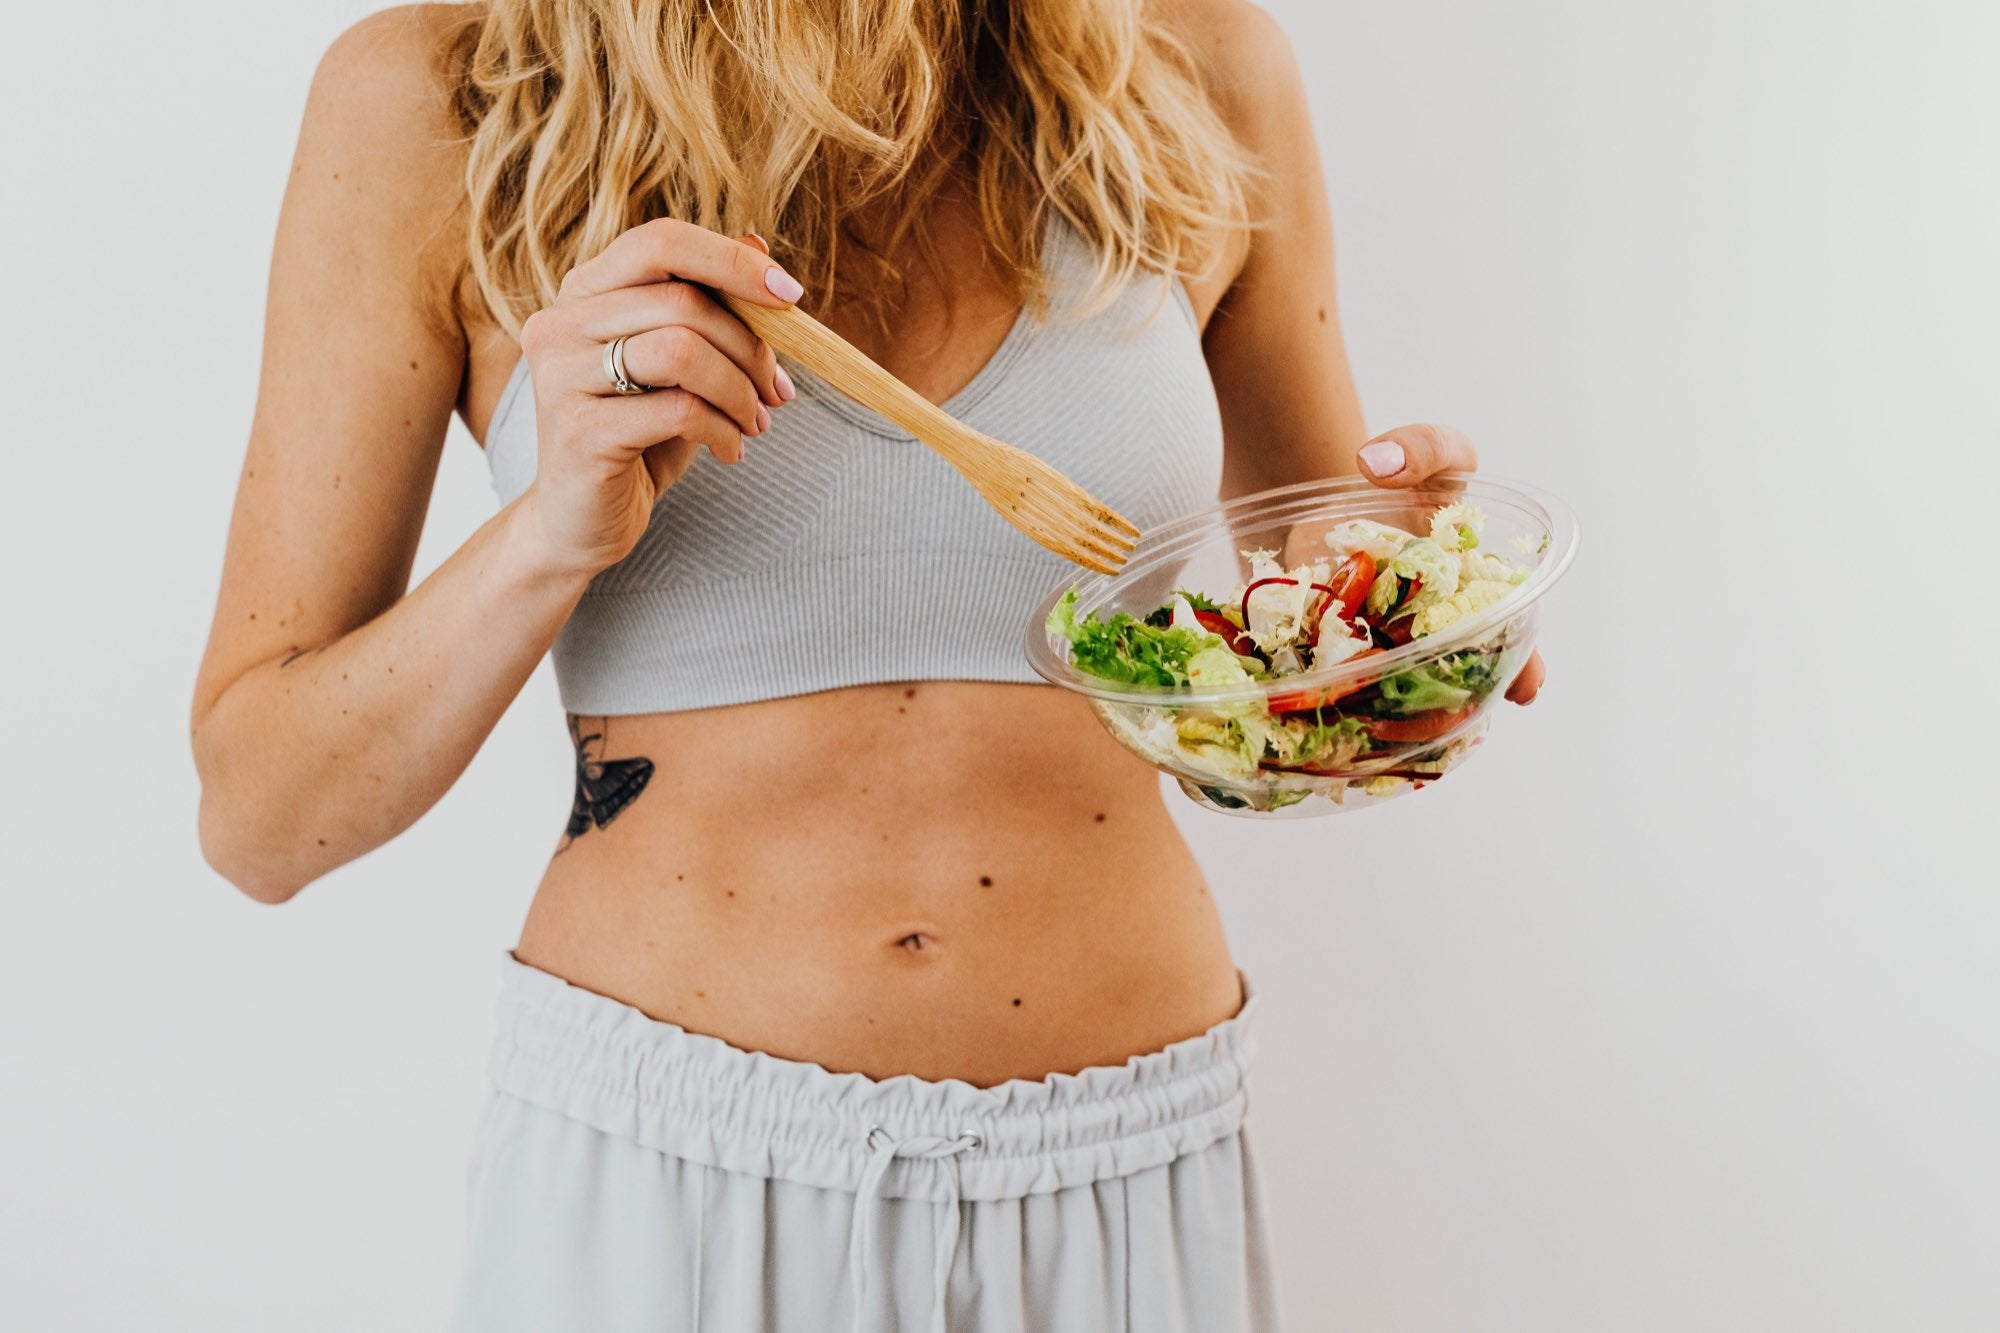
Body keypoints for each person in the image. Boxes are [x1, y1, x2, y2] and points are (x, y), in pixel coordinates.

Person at [192, 2, 1545, 1328]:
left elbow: (1304, 629)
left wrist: (1408, 617)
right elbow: (261, 819)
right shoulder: (441, 94)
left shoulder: (1201, 66)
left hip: (1131, 1162)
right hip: (666, 1176)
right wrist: (544, 536)